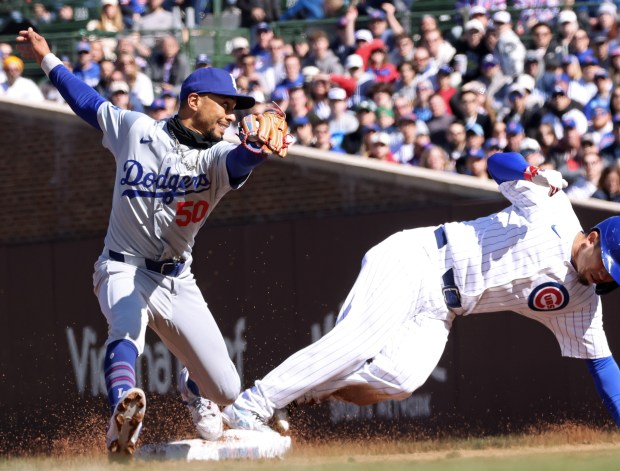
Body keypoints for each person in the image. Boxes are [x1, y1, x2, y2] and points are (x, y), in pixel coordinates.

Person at [16, 27, 286, 456]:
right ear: (193, 101)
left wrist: (256, 151)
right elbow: (88, 102)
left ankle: (192, 385)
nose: (232, 115)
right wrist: (47, 58)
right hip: (122, 265)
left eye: (237, 108)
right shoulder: (136, 130)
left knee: (227, 388)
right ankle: (122, 409)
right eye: (226, 105)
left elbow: (240, 159)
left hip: (177, 279)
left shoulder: (218, 155)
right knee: (126, 325)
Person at [221, 150, 620, 435]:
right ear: (593, 237)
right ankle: (251, 405)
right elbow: (497, 162)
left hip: (444, 310)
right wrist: (532, 172)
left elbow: (603, 369)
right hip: (421, 257)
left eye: (613, 274)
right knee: (357, 342)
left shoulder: (582, 303)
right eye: (606, 260)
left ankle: (302, 391)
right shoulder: (553, 207)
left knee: (401, 380)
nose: (604, 273)